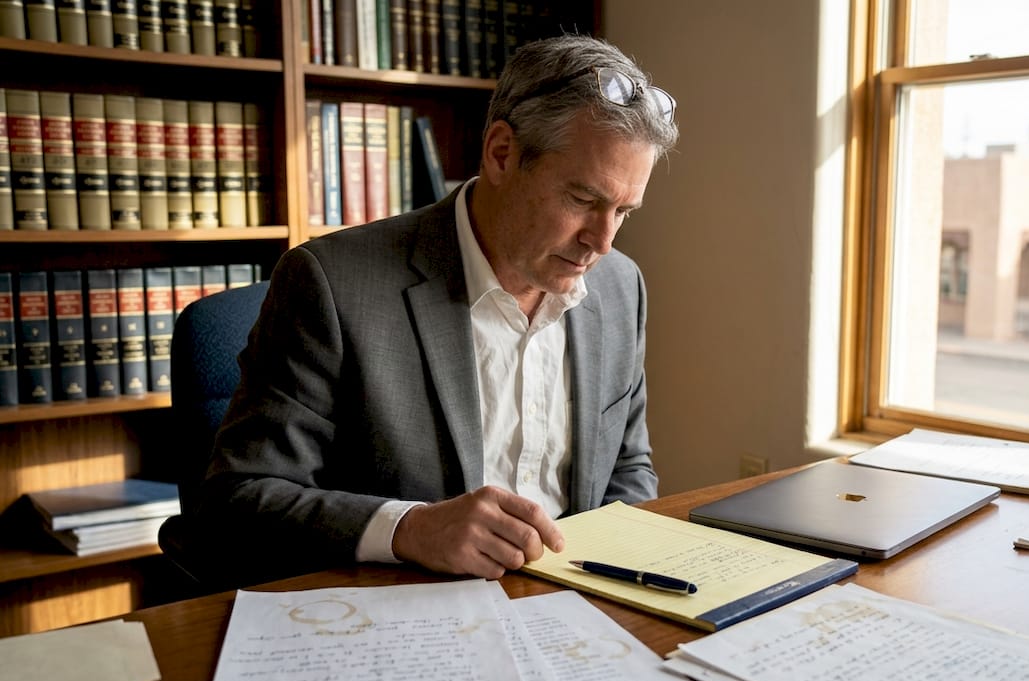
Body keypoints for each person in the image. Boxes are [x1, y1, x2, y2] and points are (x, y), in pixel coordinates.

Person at [186, 34, 679, 587]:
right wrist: (410, 529)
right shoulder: (329, 284)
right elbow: (234, 501)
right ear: (501, 153)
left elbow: (628, 469)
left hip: (572, 610)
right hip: (396, 615)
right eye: (583, 200)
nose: (603, 241)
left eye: (623, 211)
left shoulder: (620, 286)